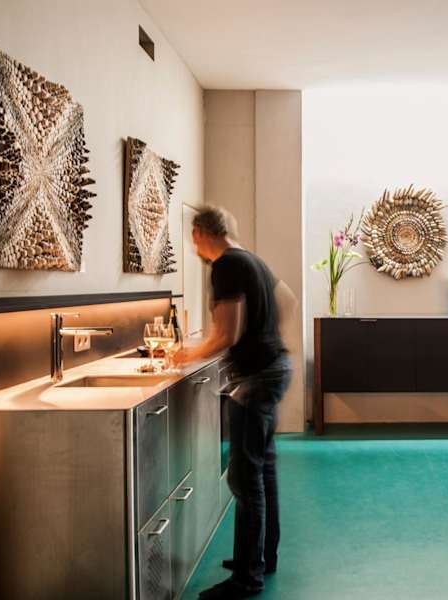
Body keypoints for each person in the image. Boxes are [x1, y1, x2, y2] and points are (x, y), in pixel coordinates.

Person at [173, 206, 296, 599]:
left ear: (200, 232)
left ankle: (247, 577)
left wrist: (185, 356)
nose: (194, 247)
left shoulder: (226, 265)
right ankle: (262, 557)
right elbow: (288, 300)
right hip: (274, 368)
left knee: (245, 479)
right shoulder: (252, 260)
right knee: (263, 471)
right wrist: (266, 334)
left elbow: (227, 334)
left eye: (193, 239)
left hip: (255, 379)